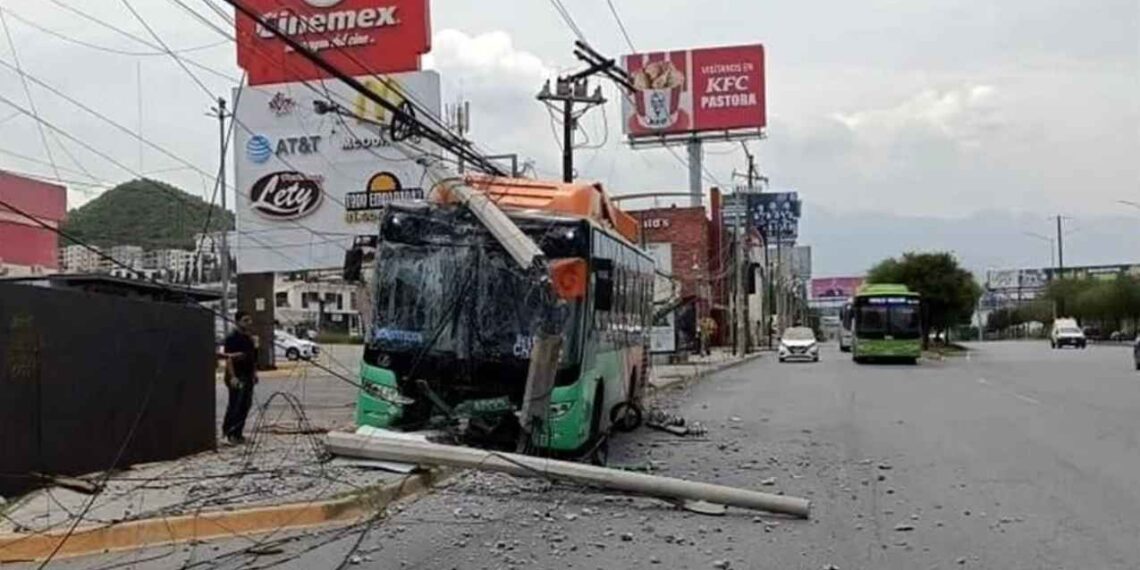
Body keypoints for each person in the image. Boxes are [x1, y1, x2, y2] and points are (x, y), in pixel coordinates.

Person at [220, 311, 258, 445]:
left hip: (247, 375)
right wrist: (233, 377)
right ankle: (229, 433)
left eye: (249, 320)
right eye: (245, 320)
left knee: (245, 405)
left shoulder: (249, 338)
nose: (248, 323)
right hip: (237, 376)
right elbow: (229, 358)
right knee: (235, 404)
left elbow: (252, 358)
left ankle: (238, 433)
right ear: (237, 321)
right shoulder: (232, 338)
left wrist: (254, 374)